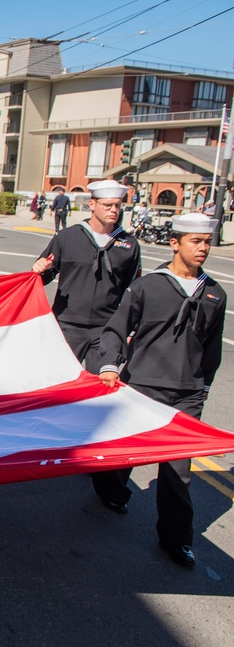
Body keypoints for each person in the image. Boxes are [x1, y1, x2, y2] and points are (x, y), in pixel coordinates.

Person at [97, 213, 225, 568]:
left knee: (177, 472)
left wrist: (205, 385)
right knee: (126, 452)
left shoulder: (215, 293)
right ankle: (110, 491)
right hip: (143, 386)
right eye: (195, 242)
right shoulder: (147, 286)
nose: (203, 248)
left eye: (206, 242)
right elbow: (115, 329)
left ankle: (176, 539)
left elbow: (212, 347)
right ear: (175, 244)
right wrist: (110, 364)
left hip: (187, 393)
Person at [31, 179, 142, 513]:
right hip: (66, 323)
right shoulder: (67, 238)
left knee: (100, 396)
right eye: (107, 204)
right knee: (51, 388)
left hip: (106, 329)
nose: (113, 210)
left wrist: (131, 328)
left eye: (118, 205)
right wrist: (38, 272)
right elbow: (42, 275)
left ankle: (104, 479)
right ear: (91, 204)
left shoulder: (129, 245)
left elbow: (134, 291)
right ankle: (38, 447)